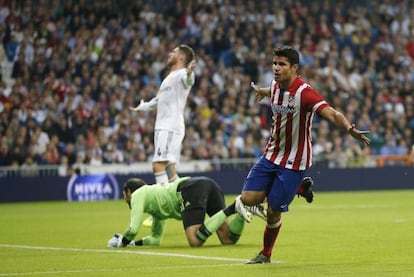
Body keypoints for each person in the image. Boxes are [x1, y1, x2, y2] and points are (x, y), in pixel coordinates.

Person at [239, 45, 371, 264]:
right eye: (274, 63)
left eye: (281, 64)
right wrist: (261, 91)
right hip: (271, 154)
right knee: (247, 199)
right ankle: (300, 187)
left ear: (294, 68)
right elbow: (271, 90)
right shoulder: (275, 85)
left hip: (293, 161)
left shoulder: (305, 93)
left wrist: (349, 129)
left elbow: (332, 113)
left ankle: (265, 254)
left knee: (272, 211)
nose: (276, 68)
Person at [129, 44, 196, 227]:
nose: (170, 53)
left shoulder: (182, 74)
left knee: (157, 164)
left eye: (174, 52)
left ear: (181, 57)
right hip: (166, 127)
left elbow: (189, 80)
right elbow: (158, 101)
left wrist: (190, 73)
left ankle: (161, 208)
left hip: (170, 127)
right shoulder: (169, 78)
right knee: (170, 170)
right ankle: (188, 203)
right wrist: (142, 107)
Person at [107, 176, 265, 248]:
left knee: (195, 240)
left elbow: (133, 228)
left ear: (128, 191)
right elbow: (155, 239)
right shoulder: (156, 206)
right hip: (206, 184)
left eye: (125, 195)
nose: (125, 199)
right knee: (228, 239)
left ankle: (233, 207)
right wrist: (134, 243)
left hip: (189, 190)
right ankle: (242, 209)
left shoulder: (137, 195)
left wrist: (123, 241)